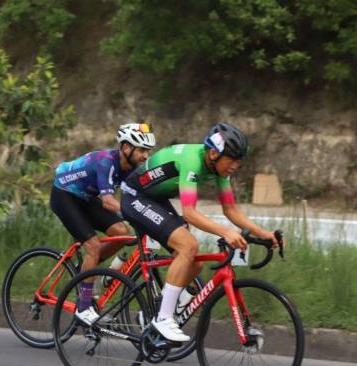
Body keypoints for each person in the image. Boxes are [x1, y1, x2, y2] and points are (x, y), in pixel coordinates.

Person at [120, 122, 280, 342]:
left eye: (239, 161)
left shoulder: (219, 169)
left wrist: (263, 233)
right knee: (188, 245)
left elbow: (230, 209)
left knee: (194, 261)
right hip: (135, 196)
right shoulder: (192, 161)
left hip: (155, 199)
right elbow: (189, 213)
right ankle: (163, 318)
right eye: (232, 159)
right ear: (213, 153)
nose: (235, 166)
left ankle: (158, 309)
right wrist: (226, 232)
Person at [50, 123, 155, 325]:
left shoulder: (132, 168)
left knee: (121, 232)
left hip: (86, 198)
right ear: (126, 148)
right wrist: (134, 214)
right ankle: (83, 307)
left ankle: (88, 270)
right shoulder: (106, 162)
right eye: (142, 150)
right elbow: (108, 201)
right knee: (93, 246)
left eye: (148, 151)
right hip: (64, 194)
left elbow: (140, 196)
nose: (145, 156)